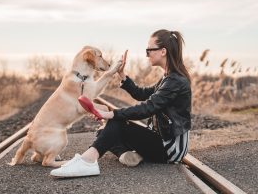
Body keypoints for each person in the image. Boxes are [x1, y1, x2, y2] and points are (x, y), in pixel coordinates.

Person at [50, 29, 192, 178]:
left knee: (115, 124)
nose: (146, 54)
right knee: (104, 132)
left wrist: (111, 113)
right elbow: (141, 94)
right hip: (161, 141)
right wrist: (121, 74)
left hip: (169, 149)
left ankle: (88, 161)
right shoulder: (168, 78)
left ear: (163, 51)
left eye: (149, 50)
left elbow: (148, 108)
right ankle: (125, 154)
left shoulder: (175, 81)